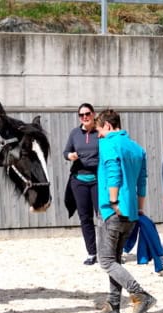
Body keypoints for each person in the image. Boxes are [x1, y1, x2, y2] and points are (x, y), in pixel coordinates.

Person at [93, 109, 156, 313]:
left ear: (108, 126)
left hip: (112, 209)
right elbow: (142, 180)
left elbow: (113, 172)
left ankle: (139, 294)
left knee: (107, 261)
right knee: (116, 260)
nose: (98, 136)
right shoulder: (136, 148)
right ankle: (113, 305)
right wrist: (139, 208)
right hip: (131, 212)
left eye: (99, 131)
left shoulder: (109, 143)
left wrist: (112, 200)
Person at [63, 103, 99, 265]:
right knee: (85, 218)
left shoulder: (101, 133)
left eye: (87, 113)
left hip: (98, 180)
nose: (84, 117)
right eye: (81, 115)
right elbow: (66, 152)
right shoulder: (75, 133)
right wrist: (69, 156)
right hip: (79, 180)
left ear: (93, 114)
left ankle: (108, 251)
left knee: (105, 217)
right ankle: (92, 253)